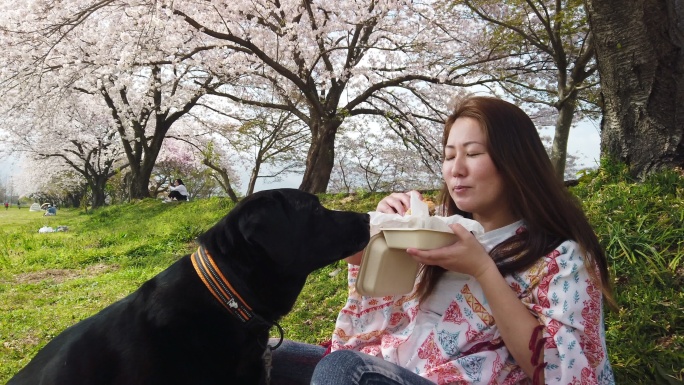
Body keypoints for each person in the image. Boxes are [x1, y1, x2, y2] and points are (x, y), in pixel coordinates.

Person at [267, 96, 615, 385]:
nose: (456, 169)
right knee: (253, 350)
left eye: (473, 153)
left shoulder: (562, 256)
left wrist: (483, 269)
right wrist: (381, 230)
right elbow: (371, 295)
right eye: (449, 155)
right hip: (391, 368)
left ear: (515, 160)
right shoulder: (437, 233)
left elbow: (559, 371)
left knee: (342, 370)